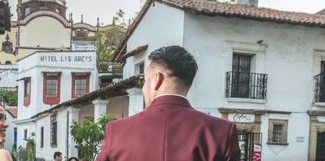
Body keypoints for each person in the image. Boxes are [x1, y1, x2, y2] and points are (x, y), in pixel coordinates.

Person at [96, 45, 241, 161]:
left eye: (145, 81)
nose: (143, 87)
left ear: (156, 79)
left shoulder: (116, 131)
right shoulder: (221, 131)